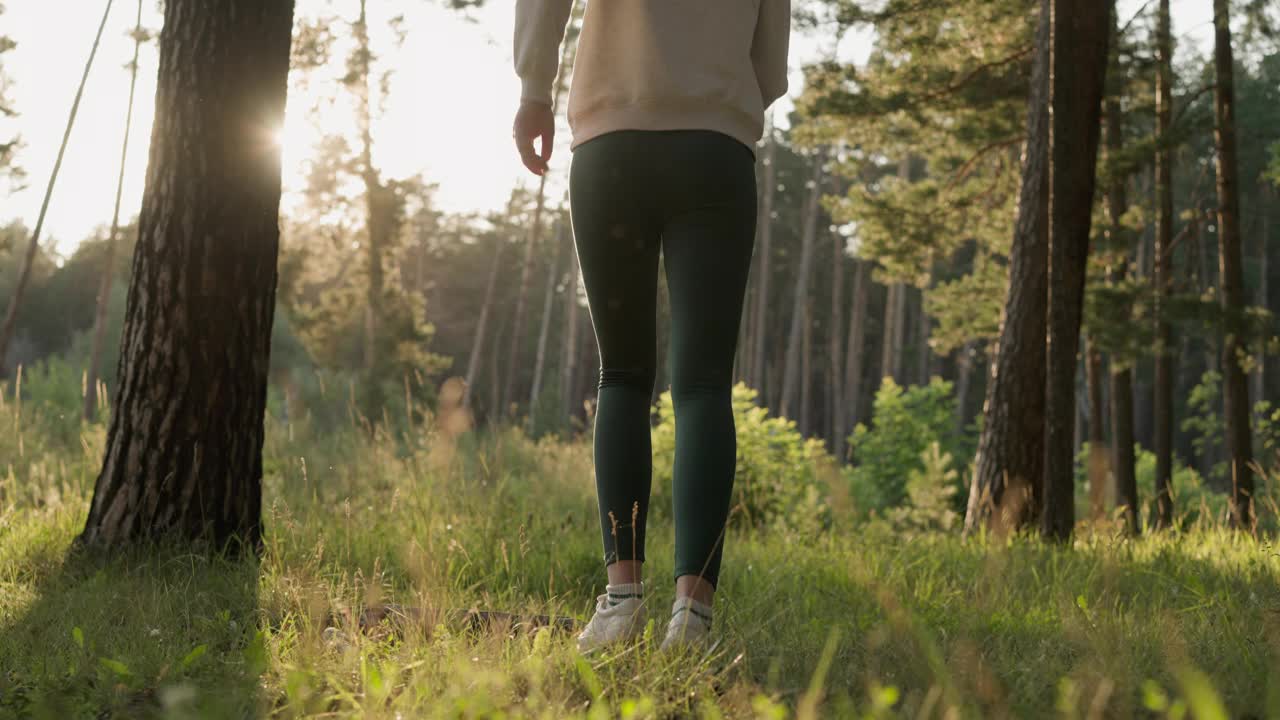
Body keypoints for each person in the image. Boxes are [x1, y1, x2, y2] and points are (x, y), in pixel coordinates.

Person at [512, 0, 791, 652]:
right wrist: (715, 94)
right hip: (715, 150)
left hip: (614, 143)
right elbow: (771, 63)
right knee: (702, 386)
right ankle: (691, 619)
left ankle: (620, 603)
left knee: (624, 376)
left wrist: (534, 90)